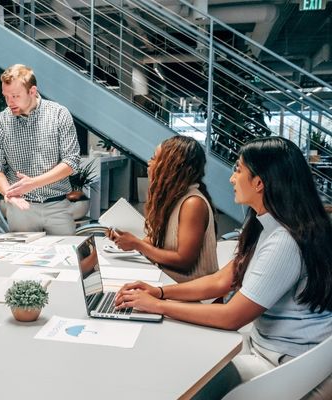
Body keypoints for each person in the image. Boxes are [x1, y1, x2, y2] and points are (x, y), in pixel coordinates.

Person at [114, 137, 332, 399]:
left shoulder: (284, 241)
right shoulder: (267, 227)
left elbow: (231, 317)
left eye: (238, 170)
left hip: (289, 365)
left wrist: (157, 306)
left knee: (180, 378)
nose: (231, 179)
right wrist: (159, 292)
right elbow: (221, 280)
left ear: (259, 182)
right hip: (269, 350)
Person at [107, 135, 218, 282]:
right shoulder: (173, 198)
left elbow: (184, 261)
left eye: (154, 158)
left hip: (197, 296)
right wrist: (125, 239)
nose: (149, 162)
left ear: (171, 166)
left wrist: (137, 244)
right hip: (172, 284)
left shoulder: (192, 203)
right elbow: (156, 241)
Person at [0, 64, 81, 235]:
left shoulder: (59, 114)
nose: (10, 103)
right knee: (22, 260)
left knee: (66, 258)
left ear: (32, 91)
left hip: (57, 206)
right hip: (20, 208)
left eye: (15, 96)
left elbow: (71, 162)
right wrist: (9, 192)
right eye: (6, 96)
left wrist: (33, 183)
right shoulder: (0, 123)